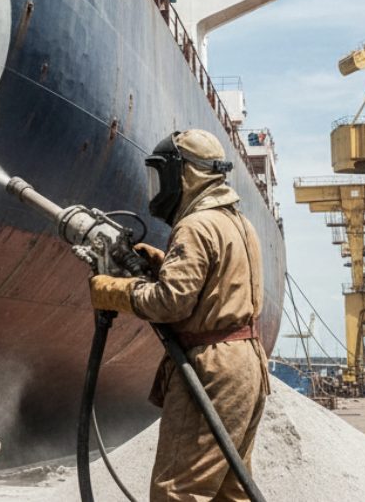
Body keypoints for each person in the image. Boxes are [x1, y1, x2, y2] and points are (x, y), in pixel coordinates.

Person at [89, 130, 268, 502]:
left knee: (178, 490)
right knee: (228, 490)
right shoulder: (238, 223)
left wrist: (110, 290)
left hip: (212, 368)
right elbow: (212, 282)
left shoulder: (196, 225)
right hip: (246, 362)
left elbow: (171, 302)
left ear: (185, 175)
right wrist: (162, 260)